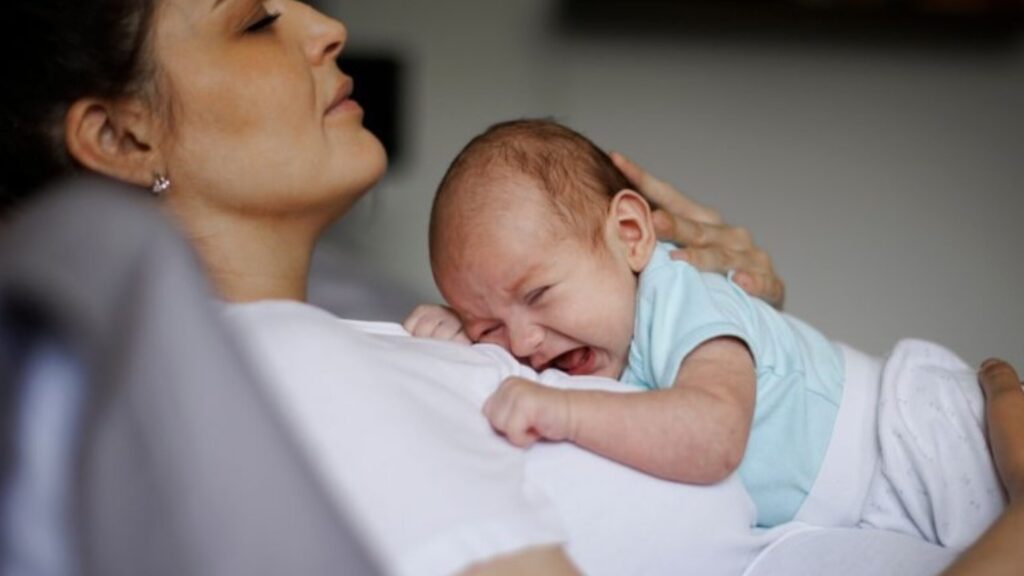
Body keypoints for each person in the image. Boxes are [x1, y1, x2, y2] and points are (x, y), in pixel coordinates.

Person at [1, 1, 1020, 574]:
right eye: (256, 21)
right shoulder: (274, 364)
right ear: (123, 135)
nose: (326, 26)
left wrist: (736, 332)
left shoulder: (372, 333)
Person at [406, 119, 1005, 541]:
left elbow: (714, 435)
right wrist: (455, 338)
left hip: (917, 442)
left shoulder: (676, 294)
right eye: (487, 326)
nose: (524, 345)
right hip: (863, 507)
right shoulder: (569, 343)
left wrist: (561, 412)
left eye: (538, 294)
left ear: (632, 236)